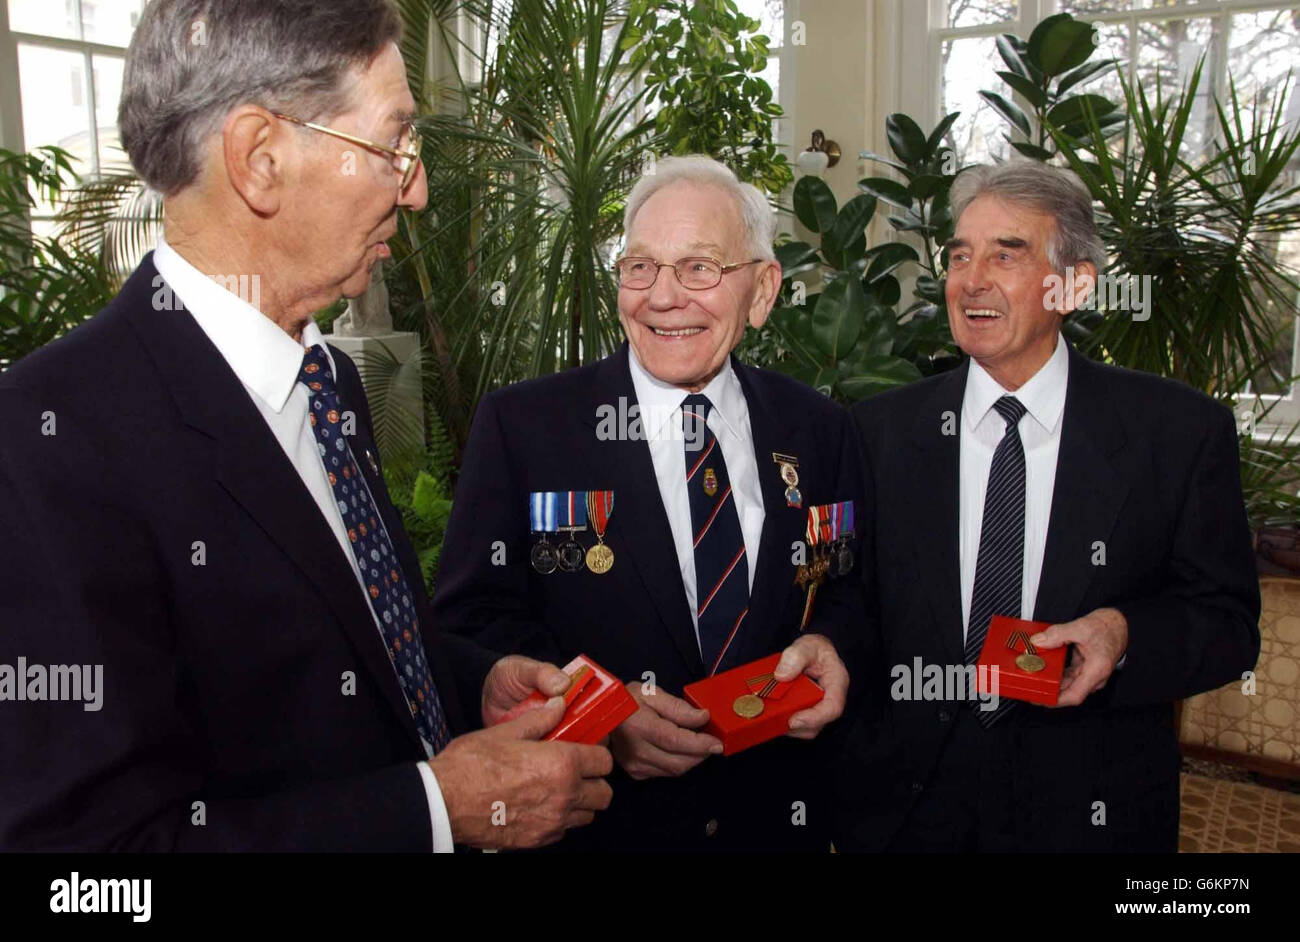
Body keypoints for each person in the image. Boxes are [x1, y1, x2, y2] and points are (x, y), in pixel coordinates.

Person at [0, 0, 612, 852]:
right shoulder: (48, 444)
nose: (420, 186)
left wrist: (473, 683)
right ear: (261, 161)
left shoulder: (325, 386)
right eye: (394, 144)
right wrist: (435, 811)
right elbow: (92, 872)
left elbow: (351, 649)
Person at [433, 155, 864, 851]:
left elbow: (847, 590)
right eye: (641, 267)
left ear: (761, 290)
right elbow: (469, 626)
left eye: (699, 267)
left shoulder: (816, 429)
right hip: (604, 830)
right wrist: (595, 709)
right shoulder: (527, 428)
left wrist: (830, 648)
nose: (662, 297)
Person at [834, 159, 1260, 852]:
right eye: (961, 255)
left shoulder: (1176, 433)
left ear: (1075, 283)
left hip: (1089, 808)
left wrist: (1122, 637)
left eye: (1008, 254)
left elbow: (1228, 624)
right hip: (907, 810)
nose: (972, 280)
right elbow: (847, 600)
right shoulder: (879, 430)